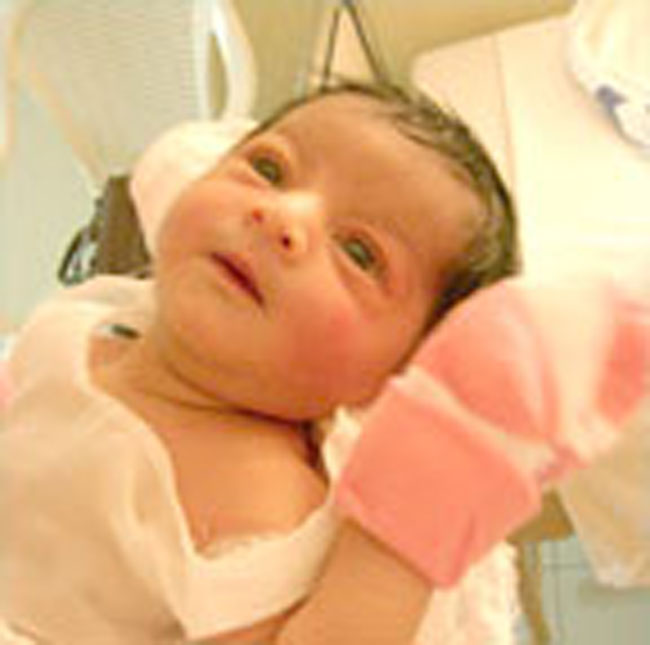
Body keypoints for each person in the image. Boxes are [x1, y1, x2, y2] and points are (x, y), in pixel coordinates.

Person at [0, 81, 518, 644]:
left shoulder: (257, 506)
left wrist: (398, 547)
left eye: (359, 253)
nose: (281, 217)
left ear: (395, 379)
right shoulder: (92, 320)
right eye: (269, 169)